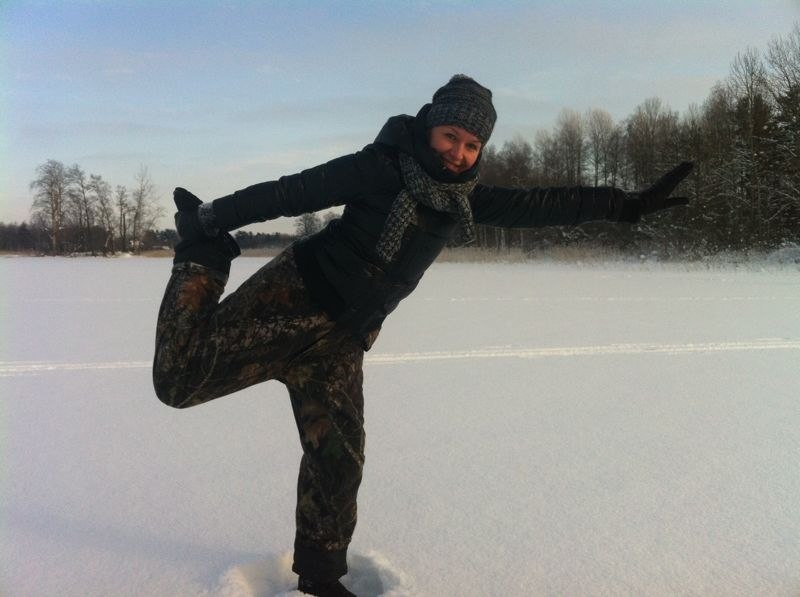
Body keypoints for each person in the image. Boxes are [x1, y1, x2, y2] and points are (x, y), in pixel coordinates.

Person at [152, 75, 692, 597]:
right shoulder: (380, 167)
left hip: (343, 339)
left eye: (472, 145)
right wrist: (209, 220)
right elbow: (292, 192)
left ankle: (319, 577)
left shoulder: (463, 198)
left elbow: (544, 204)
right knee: (178, 383)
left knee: (338, 458)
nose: (459, 152)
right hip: (294, 298)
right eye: (451, 136)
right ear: (430, 126)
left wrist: (625, 205)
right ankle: (202, 259)